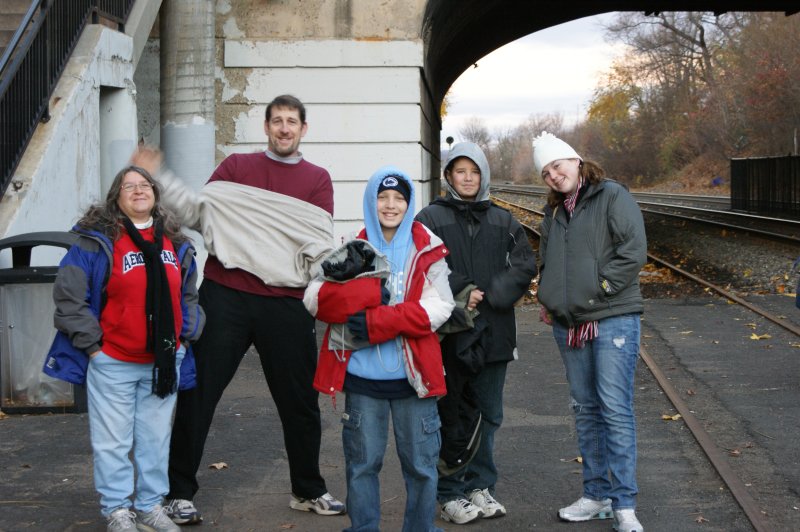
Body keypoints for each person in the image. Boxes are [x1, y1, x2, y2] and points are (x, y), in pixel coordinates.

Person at [148, 94, 345, 525]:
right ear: (267, 127)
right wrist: (159, 175)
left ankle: (308, 489)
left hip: (287, 301)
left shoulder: (317, 179)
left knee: (300, 402)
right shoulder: (237, 167)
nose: (284, 128)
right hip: (227, 293)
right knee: (198, 395)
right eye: (277, 121)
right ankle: (178, 493)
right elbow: (197, 214)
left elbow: (315, 243)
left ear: (303, 129)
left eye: (292, 121)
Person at [42, 164, 205, 532]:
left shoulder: (175, 241)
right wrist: (93, 347)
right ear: (116, 197)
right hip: (113, 360)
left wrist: (185, 335)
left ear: (155, 194)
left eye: (144, 184)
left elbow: (189, 294)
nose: (138, 190)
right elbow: (69, 297)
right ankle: (117, 509)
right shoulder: (95, 241)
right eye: (129, 186)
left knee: (155, 439)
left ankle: (149, 507)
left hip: (164, 361)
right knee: (112, 442)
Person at [303, 167, 455, 532]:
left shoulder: (426, 246)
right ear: (371, 201)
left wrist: (380, 321)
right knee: (362, 465)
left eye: (399, 198)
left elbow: (441, 306)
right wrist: (364, 293)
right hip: (362, 378)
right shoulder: (353, 244)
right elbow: (314, 297)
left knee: (421, 467)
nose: (390, 205)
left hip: (413, 377)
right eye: (382, 197)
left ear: (409, 203)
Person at [416, 142, 537, 524]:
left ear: (483, 176)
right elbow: (420, 263)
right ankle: (450, 490)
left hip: (495, 332)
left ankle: (479, 485)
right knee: (451, 412)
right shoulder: (430, 218)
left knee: (488, 413)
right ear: (449, 176)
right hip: (451, 332)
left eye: (474, 171)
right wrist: (462, 289)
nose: (467, 178)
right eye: (460, 171)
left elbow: (524, 265)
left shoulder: (504, 220)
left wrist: (496, 294)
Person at [532, 131, 647, 532]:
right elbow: (547, 258)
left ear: (576, 161)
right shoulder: (554, 212)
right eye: (546, 172)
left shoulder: (612, 196)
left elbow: (633, 249)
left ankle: (624, 504)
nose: (553, 175)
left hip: (612, 316)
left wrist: (600, 289)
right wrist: (549, 297)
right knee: (585, 409)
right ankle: (596, 494)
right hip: (569, 324)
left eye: (557, 165)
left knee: (614, 407)